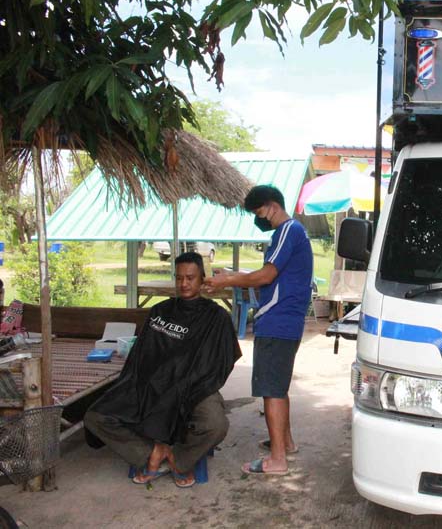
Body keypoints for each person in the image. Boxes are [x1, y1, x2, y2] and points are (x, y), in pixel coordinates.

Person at [84, 252, 241, 487]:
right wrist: (152, 381)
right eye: (179, 278)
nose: (184, 284)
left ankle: (179, 460)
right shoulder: (159, 312)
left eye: (190, 278)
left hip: (195, 388)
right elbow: (141, 356)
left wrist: (184, 384)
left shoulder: (217, 317)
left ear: (202, 279)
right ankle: (152, 453)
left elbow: (220, 363)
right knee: (94, 417)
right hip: (152, 385)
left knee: (216, 425)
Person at [204, 185, 312, 476]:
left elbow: (266, 276)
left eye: (259, 212)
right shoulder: (293, 233)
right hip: (285, 322)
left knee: (271, 390)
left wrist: (228, 280)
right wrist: (233, 276)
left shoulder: (287, 230)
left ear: (273, 206)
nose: (258, 219)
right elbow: (274, 275)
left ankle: (277, 460)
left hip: (277, 322)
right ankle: (285, 443)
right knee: (278, 385)